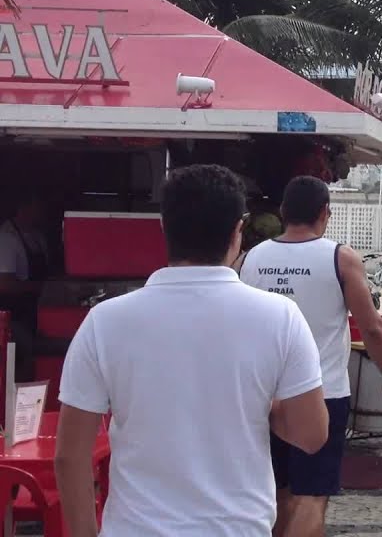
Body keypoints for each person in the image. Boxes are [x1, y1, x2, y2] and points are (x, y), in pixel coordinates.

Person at [55, 165, 330, 536]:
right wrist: (262, 405)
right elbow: (311, 435)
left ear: (164, 227)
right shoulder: (280, 317)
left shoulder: (104, 322)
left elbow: (70, 457)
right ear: (238, 231)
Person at [239, 176, 382, 537]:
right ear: (325, 213)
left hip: (262, 395)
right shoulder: (339, 258)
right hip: (321, 393)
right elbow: (373, 328)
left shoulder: (251, 258)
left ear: (283, 212)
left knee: (279, 490)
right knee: (313, 495)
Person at [0, 192, 50, 381]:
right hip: (13, 316)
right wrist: (39, 288)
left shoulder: (37, 237)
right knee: (27, 354)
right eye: (38, 207)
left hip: (37, 313)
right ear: (24, 208)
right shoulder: (6, 238)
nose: (42, 212)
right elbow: (4, 284)